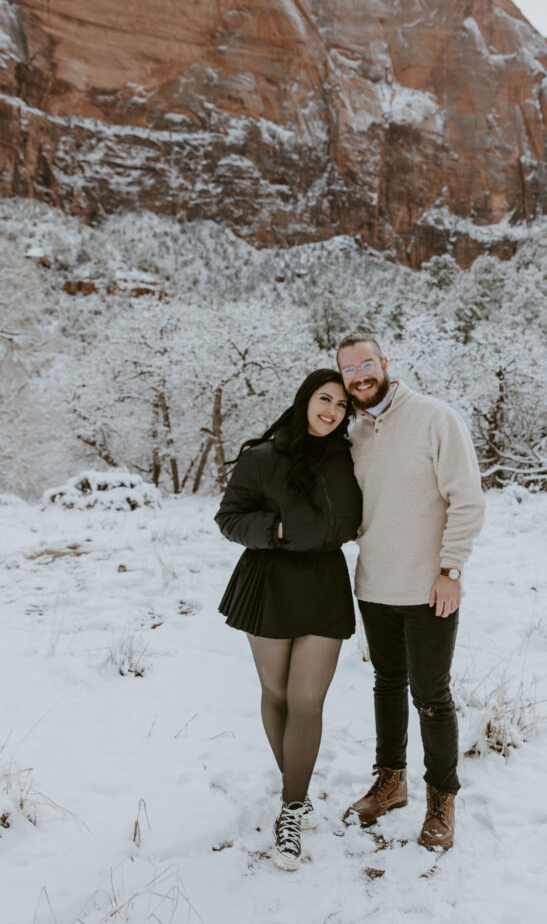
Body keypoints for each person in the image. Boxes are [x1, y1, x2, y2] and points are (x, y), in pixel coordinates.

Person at [336, 331, 485, 851]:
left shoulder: (434, 417)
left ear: (385, 363)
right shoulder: (351, 433)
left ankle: (441, 799)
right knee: (386, 683)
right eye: (349, 370)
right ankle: (391, 780)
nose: (360, 376)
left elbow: (467, 498)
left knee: (432, 696)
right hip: (375, 583)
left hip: (429, 588)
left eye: (367, 364)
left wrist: (452, 570)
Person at [214, 369, 362, 871]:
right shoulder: (261, 457)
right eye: (325, 399)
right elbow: (228, 518)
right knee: (276, 694)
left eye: (342, 406)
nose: (332, 411)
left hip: (324, 581)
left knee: (306, 698)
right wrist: (273, 527)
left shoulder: (351, 458)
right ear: (305, 400)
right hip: (269, 581)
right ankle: (295, 791)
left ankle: (290, 810)